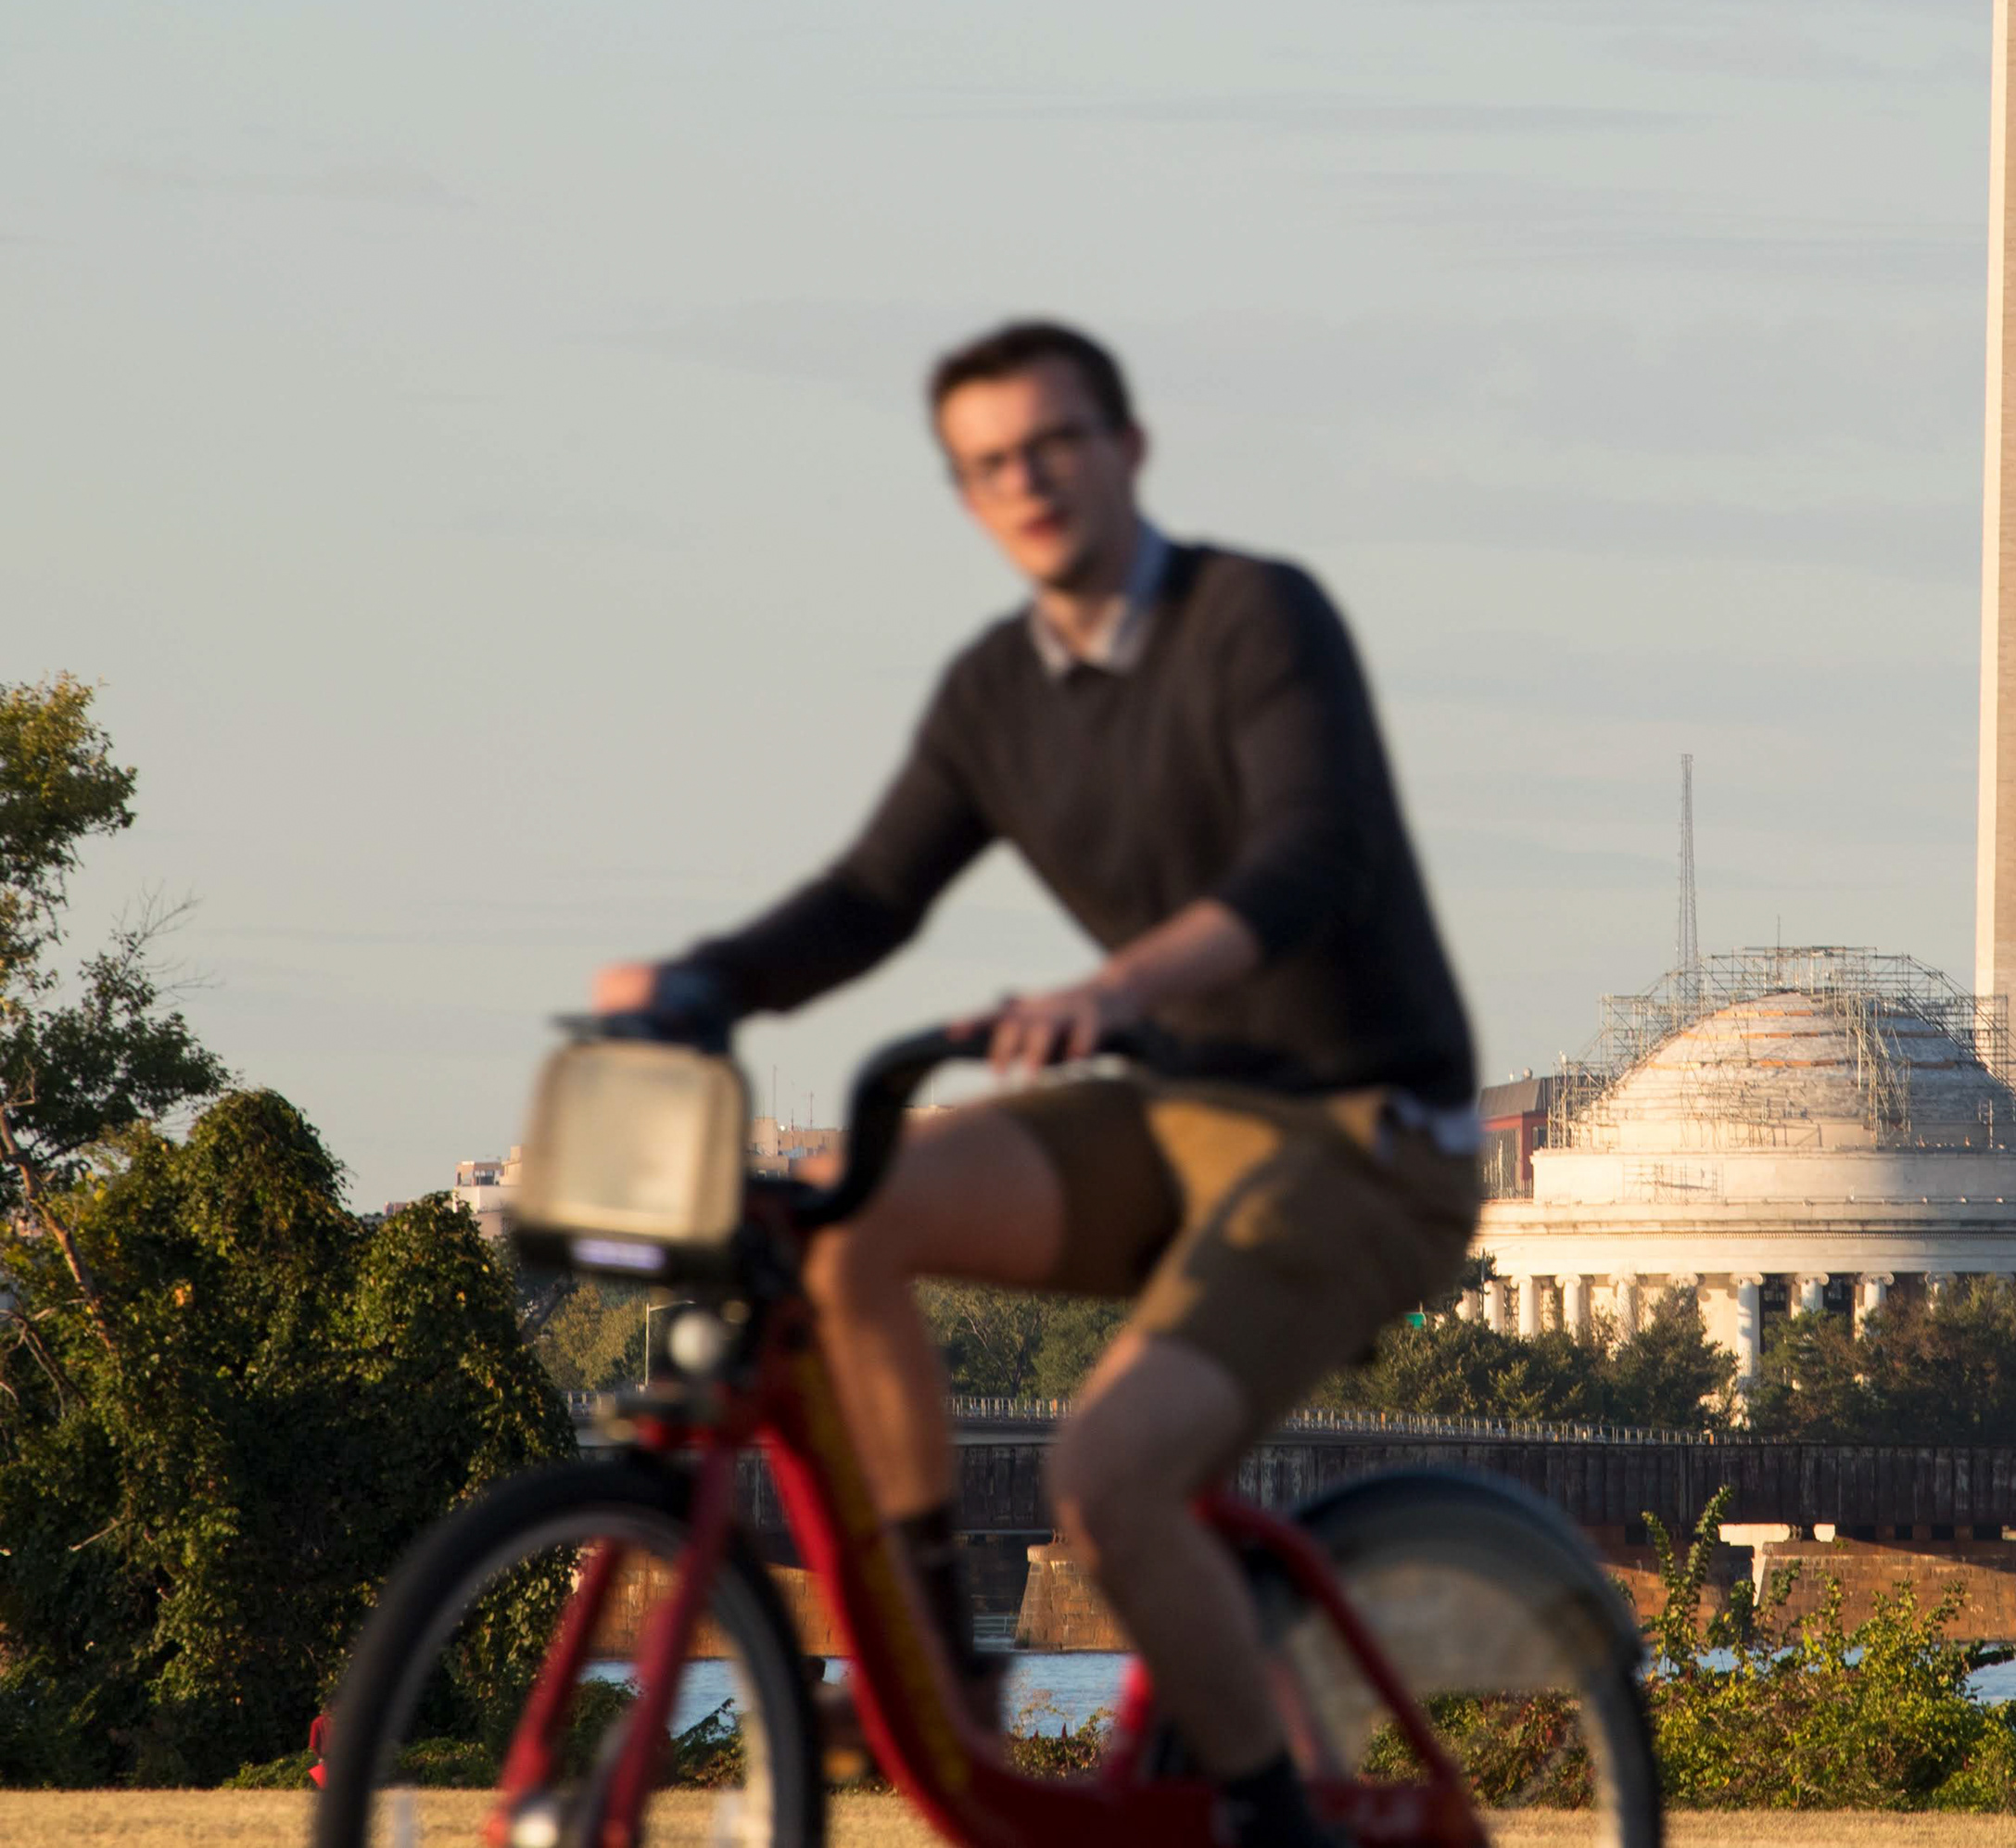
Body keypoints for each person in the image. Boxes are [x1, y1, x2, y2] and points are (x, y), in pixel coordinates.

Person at [590, 320, 1478, 1848]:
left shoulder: (1253, 617)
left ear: (1128, 450)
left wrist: (1119, 990)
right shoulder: (996, 692)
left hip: (1364, 1133)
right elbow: (872, 895)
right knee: (843, 1220)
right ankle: (946, 1672)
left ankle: (1273, 1820)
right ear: (965, 498)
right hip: (1173, 1112)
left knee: (1106, 1478)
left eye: (1057, 444)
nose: (1031, 481)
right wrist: (701, 984)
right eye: (992, 463)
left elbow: (1309, 858)